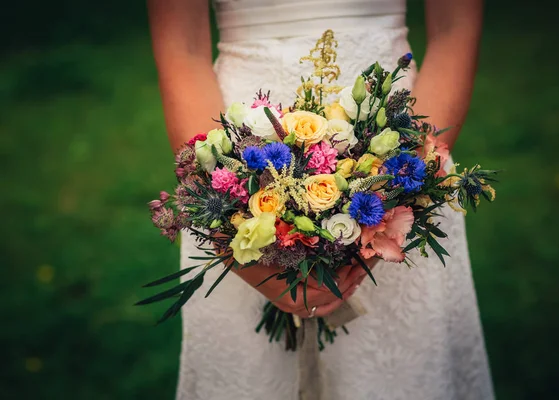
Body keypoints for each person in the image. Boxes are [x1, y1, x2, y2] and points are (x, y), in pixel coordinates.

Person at [147, 0, 494, 399]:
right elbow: (183, 48)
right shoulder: (228, 187)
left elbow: (455, 29)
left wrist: (399, 198)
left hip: (403, 143)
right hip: (238, 151)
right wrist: (230, 225)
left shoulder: (403, 179)